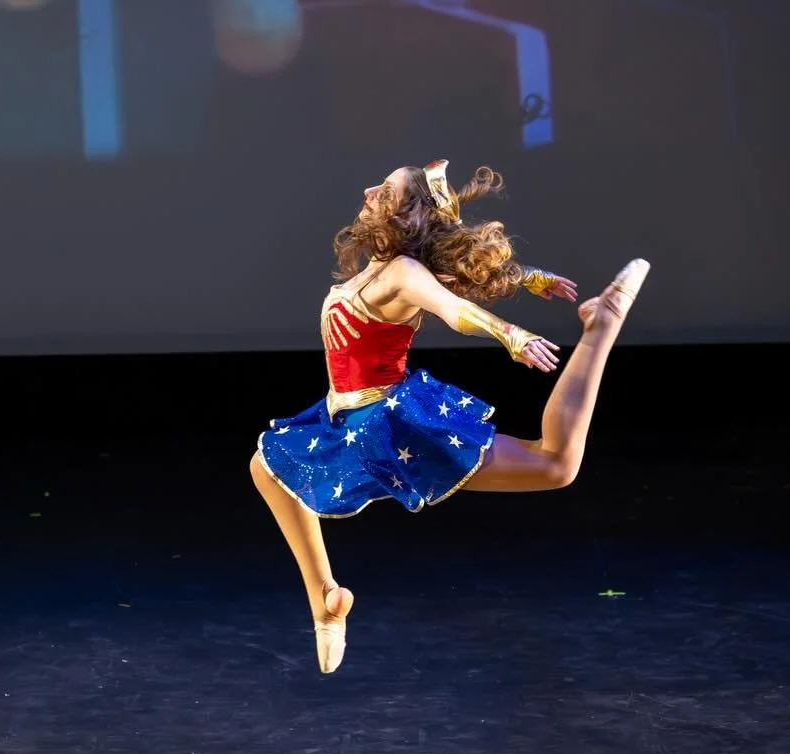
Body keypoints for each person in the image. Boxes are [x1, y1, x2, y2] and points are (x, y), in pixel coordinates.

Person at [249, 159, 650, 674]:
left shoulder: (402, 272)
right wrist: (528, 278)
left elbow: (451, 307)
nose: (368, 190)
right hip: (345, 417)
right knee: (268, 469)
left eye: (385, 191)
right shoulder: (384, 269)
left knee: (556, 464)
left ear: (406, 217)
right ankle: (326, 603)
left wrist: (510, 334)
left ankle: (602, 324)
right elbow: (457, 280)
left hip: (385, 422)